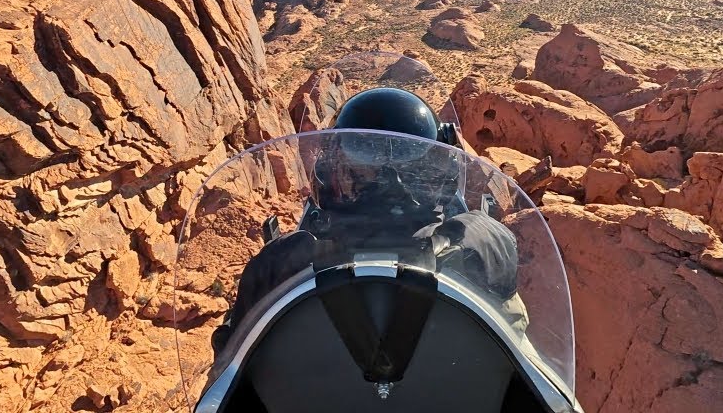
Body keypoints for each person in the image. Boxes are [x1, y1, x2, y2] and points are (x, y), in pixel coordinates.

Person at [210, 87, 524, 357]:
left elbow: (230, 361)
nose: (385, 185)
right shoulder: (483, 243)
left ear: (327, 173)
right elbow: (518, 340)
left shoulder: (279, 264)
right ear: (442, 174)